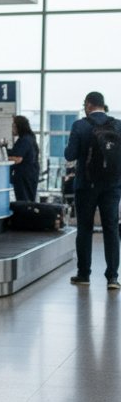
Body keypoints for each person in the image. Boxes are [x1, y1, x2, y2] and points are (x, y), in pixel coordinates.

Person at [64, 92, 121, 289]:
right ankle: (113, 277)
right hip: (112, 185)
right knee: (111, 229)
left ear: (88, 105)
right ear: (103, 105)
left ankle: (83, 274)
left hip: (86, 185)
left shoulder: (80, 125)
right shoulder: (118, 125)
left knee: (85, 228)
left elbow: (69, 154)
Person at [7, 114, 39, 202]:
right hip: (28, 175)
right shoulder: (28, 138)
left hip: (25, 177)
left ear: (19, 127)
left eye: (14, 126)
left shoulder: (25, 140)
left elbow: (18, 159)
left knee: (24, 201)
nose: (12, 129)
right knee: (27, 200)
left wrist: (4, 158)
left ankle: (25, 216)